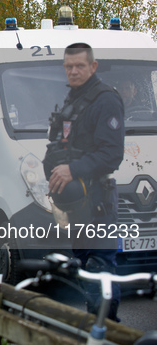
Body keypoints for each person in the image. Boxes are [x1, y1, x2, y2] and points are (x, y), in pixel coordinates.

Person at [44, 43, 124, 322]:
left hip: (98, 201)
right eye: (69, 66)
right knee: (83, 268)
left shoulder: (106, 100)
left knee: (99, 271)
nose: (73, 71)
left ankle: (109, 333)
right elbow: (61, 145)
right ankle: (95, 330)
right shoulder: (72, 100)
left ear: (93, 66)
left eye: (79, 66)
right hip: (77, 204)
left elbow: (112, 154)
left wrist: (72, 169)